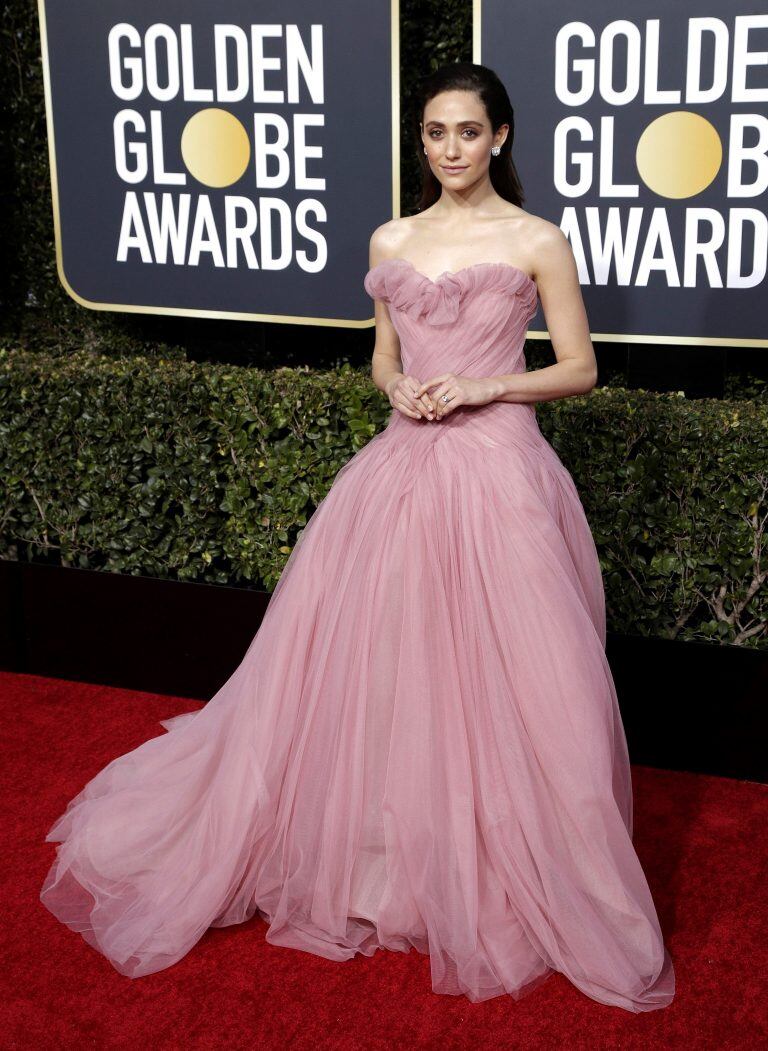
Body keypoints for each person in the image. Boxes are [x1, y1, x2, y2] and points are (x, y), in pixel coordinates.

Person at [40, 61, 675, 1012]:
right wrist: (404, 388)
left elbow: (580, 368)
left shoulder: (538, 237)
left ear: (500, 136)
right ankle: (382, 861)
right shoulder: (390, 236)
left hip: (499, 472)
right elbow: (381, 357)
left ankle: (505, 865)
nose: (449, 148)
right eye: (433, 132)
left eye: (467, 131)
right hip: (399, 470)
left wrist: (484, 386)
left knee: (515, 681)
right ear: (421, 141)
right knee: (384, 670)